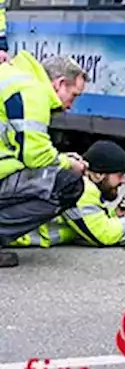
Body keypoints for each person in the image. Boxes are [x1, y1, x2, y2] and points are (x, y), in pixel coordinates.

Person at [0, 54, 89, 267]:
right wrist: (70, 164)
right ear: (59, 83)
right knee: (66, 184)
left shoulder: (12, 77)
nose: (70, 106)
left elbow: (22, 146)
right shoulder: (32, 91)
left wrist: (59, 157)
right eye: (73, 95)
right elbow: (36, 156)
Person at [8, 141, 125, 248]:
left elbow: (87, 221)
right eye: (119, 175)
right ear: (98, 175)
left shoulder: (74, 181)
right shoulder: (80, 189)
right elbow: (104, 235)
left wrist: (117, 214)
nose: (124, 180)